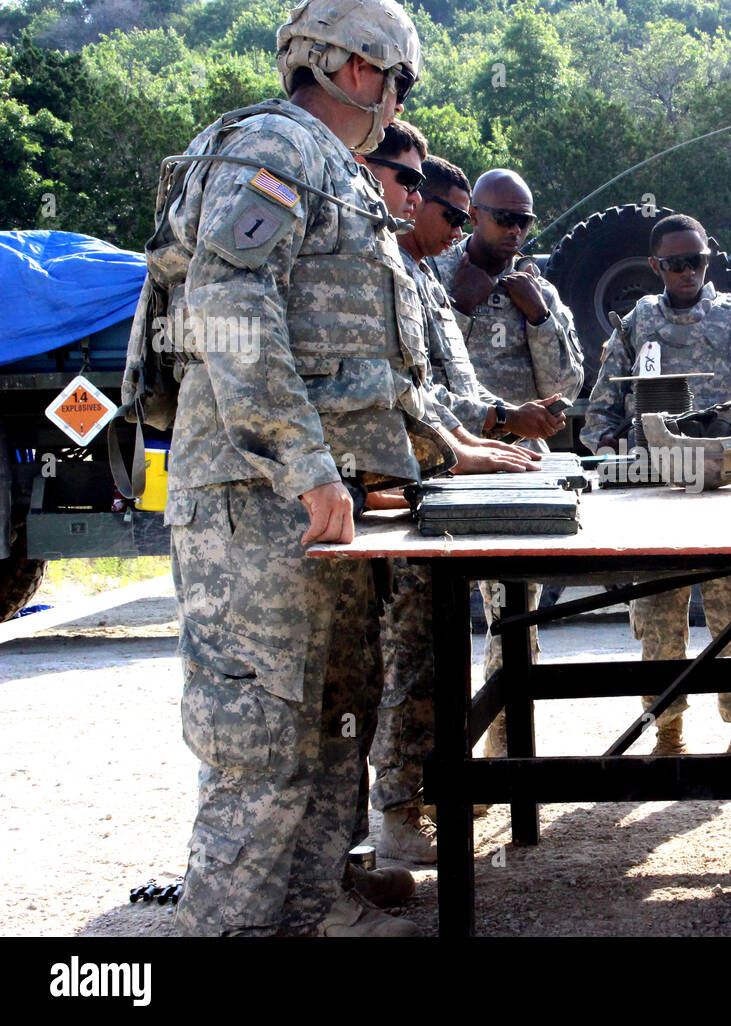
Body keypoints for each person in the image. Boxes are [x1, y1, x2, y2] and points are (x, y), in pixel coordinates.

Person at [154, 0, 452, 937]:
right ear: (363, 72)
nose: (393, 101)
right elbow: (228, 298)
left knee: (331, 727)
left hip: (316, 506)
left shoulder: (336, 173)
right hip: (258, 499)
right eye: (397, 82)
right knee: (260, 747)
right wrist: (305, 462)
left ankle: (304, 918)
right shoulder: (275, 149)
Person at [358, 125, 561, 862]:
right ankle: (399, 814)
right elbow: (406, 394)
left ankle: (463, 781)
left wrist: (492, 435)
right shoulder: (395, 273)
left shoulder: (424, 282)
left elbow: (456, 390)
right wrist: (484, 433)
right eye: (449, 210)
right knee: (411, 657)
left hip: (450, 484)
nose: (441, 220)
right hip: (410, 492)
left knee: (487, 643)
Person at [582, 213, 731, 754]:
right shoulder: (635, 325)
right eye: (674, 263)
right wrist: (610, 451)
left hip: (724, 498)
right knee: (657, 626)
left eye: (695, 261)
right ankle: (668, 731)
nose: (686, 272)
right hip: (656, 497)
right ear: (656, 266)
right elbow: (602, 409)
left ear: (709, 259)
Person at [432, 169, 584, 758]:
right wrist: (464, 307)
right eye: (504, 218)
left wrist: (539, 319)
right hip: (446, 462)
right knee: (432, 625)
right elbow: (422, 376)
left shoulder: (536, 288)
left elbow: (568, 382)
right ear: (474, 215)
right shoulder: (437, 278)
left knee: (514, 619)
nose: (516, 231)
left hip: (521, 471)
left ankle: (503, 750)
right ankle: (444, 756)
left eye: (526, 220)